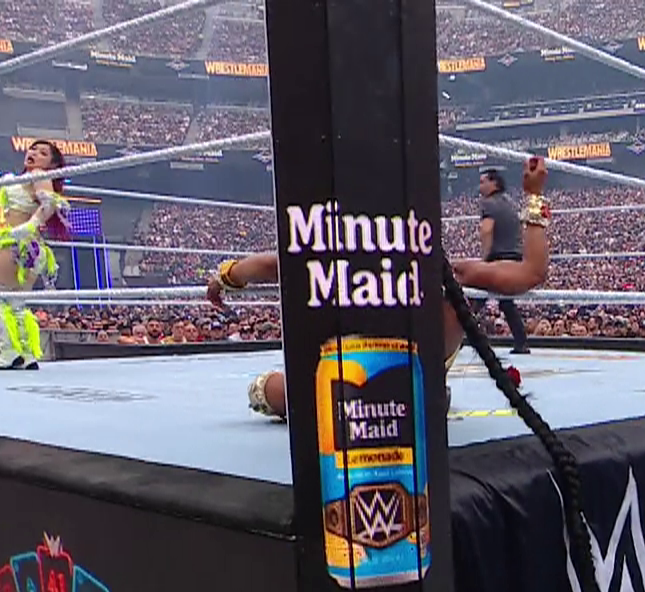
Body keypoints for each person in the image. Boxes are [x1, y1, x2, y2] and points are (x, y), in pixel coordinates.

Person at [208, 157, 552, 420]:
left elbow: (278, 264)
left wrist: (227, 276)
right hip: (385, 388)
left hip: (367, 391)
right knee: (264, 391)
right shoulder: (444, 271)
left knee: (264, 392)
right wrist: (534, 197)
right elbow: (532, 272)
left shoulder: (445, 272)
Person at [0, 139, 71, 372]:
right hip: (30, 247)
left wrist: (29, 226)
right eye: (33, 149)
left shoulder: (39, 175)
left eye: (43, 153)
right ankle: (26, 353)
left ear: (52, 165)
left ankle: (9, 352)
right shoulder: (30, 177)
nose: (34, 153)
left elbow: (50, 203)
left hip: (18, 245)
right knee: (16, 303)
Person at [477, 167, 530, 355]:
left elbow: (486, 230)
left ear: (494, 183)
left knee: (474, 295)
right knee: (506, 301)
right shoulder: (511, 202)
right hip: (514, 256)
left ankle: (455, 335)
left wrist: (484, 259)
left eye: (483, 182)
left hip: (498, 257)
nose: (480, 186)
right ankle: (521, 342)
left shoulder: (488, 203)